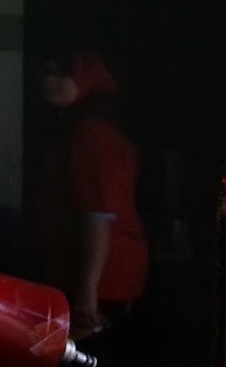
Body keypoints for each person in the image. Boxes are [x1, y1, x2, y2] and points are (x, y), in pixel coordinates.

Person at [35, 46, 148, 337]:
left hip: (102, 282)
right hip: (100, 276)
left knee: (81, 356)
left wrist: (87, 292)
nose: (49, 80)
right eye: (46, 72)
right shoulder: (89, 124)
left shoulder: (91, 132)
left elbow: (99, 216)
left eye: (61, 73)